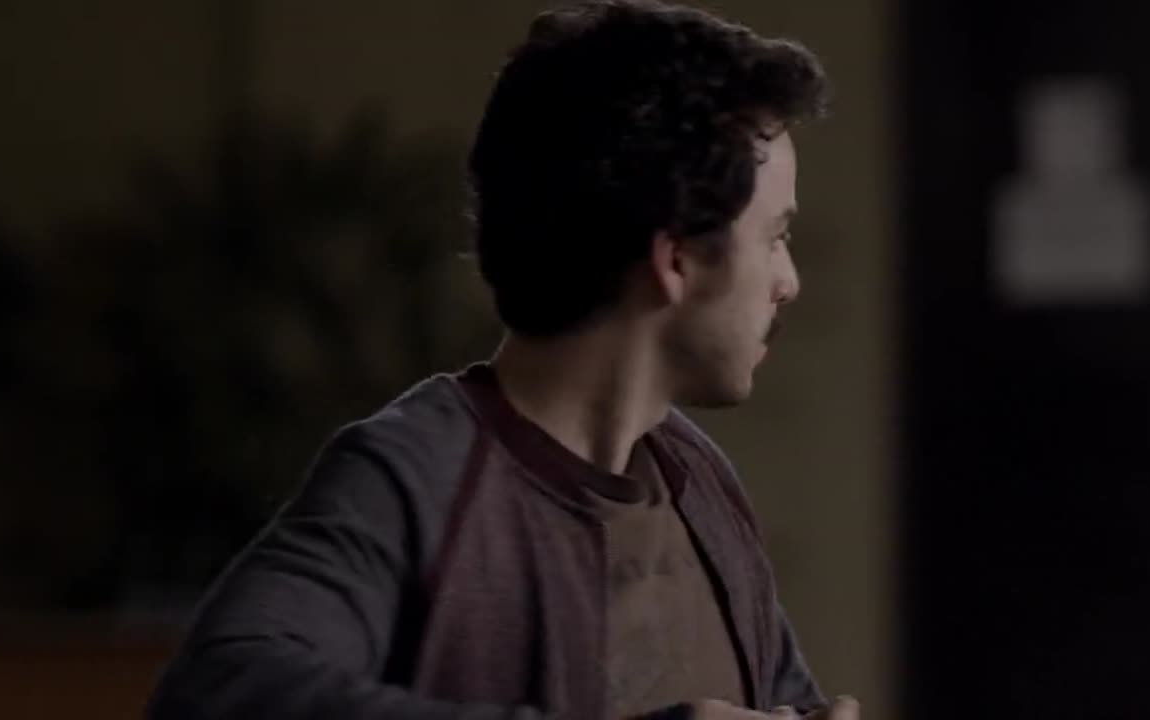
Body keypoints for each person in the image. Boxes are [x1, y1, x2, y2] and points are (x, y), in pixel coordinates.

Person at [147, 1, 859, 718]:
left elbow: (776, 695)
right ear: (674, 259)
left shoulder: (699, 482)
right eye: (774, 238)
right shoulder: (416, 475)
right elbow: (218, 693)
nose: (789, 281)